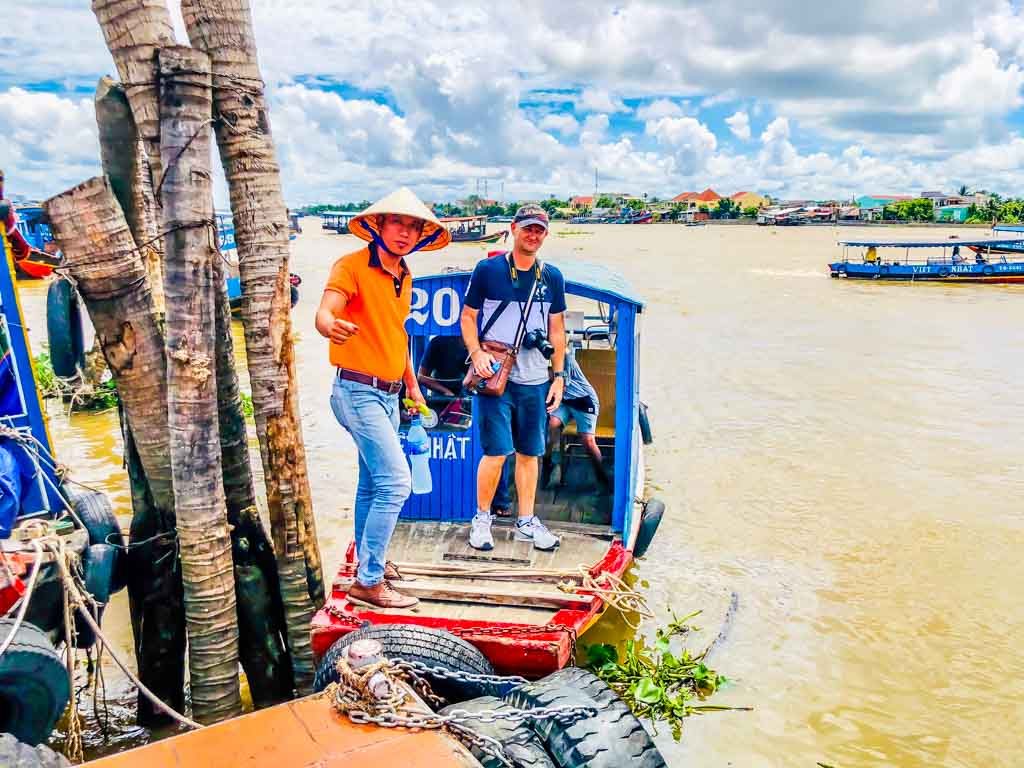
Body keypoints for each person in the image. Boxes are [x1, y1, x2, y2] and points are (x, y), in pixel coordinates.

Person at [316, 187, 450, 608]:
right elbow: (325, 310)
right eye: (398, 223)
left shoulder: (403, 275)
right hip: (357, 390)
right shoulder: (351, 266)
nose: (405, 233)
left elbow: (398, 333)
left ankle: (368, 565)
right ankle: (370, 581)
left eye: (414, 227)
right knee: (396, 482)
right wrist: (328, 325)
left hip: (391, 396)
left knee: (372, 484)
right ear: (378, 225)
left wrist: (412, 386)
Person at [461, 204, 567, 551]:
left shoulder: (551, 277)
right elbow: (468, 316)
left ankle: (526, 521)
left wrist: (559, 376)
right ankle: (481, 518)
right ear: (513, 229)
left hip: (535, 379)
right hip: (495, 376)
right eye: (528, 228)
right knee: (495, 452)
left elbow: (557, 329)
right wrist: (477, 354)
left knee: (529, 452)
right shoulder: (488, 270)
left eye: (539, 230)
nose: (533, 235)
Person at [546, 349, 610, 491]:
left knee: (588, 442)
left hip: (584, 400)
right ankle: (548, 462)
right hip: (565, 401)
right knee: (551, 424)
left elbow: (559, 382)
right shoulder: (545, 357)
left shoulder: (567, 358)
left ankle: (603, 478)